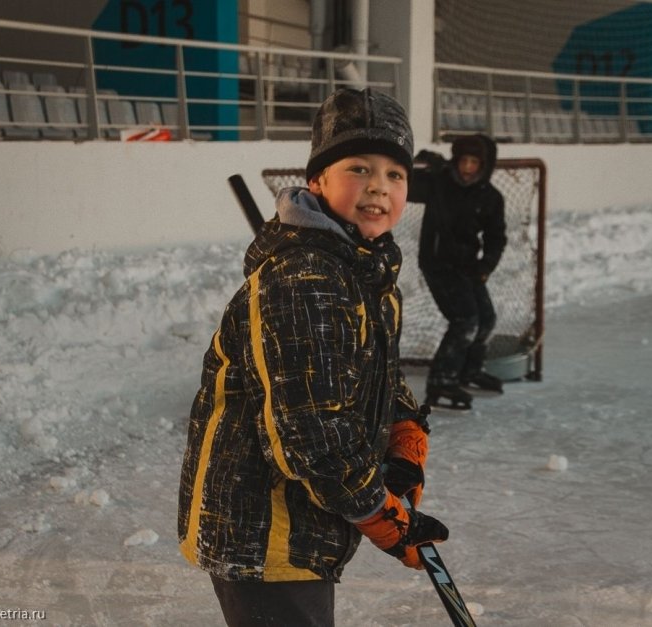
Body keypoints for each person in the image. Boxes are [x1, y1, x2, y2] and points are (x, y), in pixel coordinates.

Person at [177, 88, 449, 627]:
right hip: (262, 529)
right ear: (317, 181)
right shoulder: (305, 280)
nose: (379, 186)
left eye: (396, 174)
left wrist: (404, 433)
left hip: (306, 518)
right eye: (359, 168)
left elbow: (374, 373)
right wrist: (382, 516)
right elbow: (312, 434)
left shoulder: (365, 271)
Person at [408, 133, 508, 409]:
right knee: (465, 321)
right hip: (437, 264)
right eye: (463, 160)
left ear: (484, 165)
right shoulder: (439, 183)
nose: (467, 168)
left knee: (486, 319)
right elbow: (403, 183)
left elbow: (496, 237)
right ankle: (441, 381)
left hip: (468, 267)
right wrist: (418, 165)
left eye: (474, 162)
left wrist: (485, 267)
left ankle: (469, 371)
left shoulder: (490, 198)